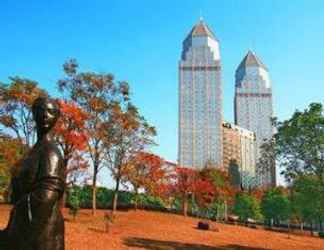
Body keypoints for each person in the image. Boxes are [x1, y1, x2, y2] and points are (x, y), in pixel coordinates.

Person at [1, 96, 65, 250]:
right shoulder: (34, 151)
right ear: (33, 113)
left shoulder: (51, 151)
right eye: (41, 110)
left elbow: (46, 196)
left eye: (51, 112)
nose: (45, 115)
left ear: (57, 117)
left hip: (40, 231)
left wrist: (17, 225)